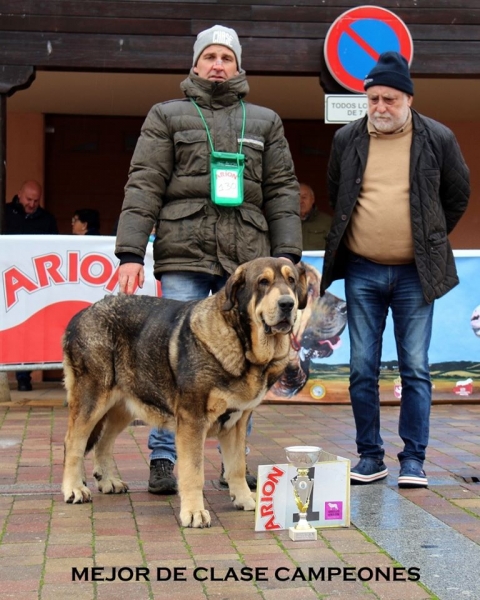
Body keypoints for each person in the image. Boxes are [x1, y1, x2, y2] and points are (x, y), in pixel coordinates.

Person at [115, 25, 302, 495]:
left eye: (226, 57)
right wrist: (131, 252)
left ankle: (231, 467)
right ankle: (163, 459)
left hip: (247, 262)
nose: (218, 64)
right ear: (195, 65)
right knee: (171, 361)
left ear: (239, 67)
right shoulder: (166, 115)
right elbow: (144, 183)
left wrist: (289, 260)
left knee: (246, 362)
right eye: (210, 56)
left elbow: (281, 190)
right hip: (183, 251)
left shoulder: (264, 120)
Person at [321, 52, 470, 489]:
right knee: (361, 367)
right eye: (373, 99)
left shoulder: (438, 137)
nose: (380, 107)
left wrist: (428, 236)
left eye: (389, 98)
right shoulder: (347, 139)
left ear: (408, 98)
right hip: (362, 270)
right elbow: (337, 193)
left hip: (415, 273)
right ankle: (370, 457)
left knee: (416, 368)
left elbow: (457, 195)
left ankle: (414, 460)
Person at [6, 180, 59, 391]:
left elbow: (54, 249)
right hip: (5, 279)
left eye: (36, 201)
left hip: (31, 283)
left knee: (25, 329)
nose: (32, 204)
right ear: (19, 194)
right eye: (29, 199)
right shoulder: (5, 213)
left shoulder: (47, 220)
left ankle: (23, 377)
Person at [299, 183, 332, 250]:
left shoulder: (327, 222)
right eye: (297, 197)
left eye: (304, 197)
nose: (300, 201)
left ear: (312, 199)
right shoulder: (285, 222)